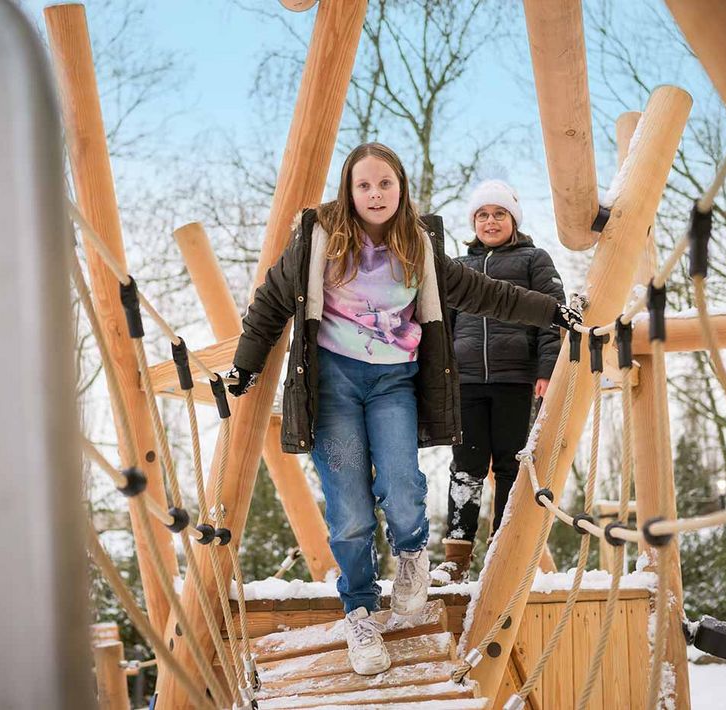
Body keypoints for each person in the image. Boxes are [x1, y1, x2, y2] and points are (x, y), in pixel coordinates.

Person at [225, 143, 581, 676]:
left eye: (384, 184)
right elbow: (271, 303)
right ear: (349, 190)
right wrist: (245, 366)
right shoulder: (316, 238)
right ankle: (361, 611)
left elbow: (485, 293)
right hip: (335, 384)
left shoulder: (418, 244)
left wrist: (554, 312)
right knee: (348, 511)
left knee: (402, 487)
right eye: (364, 184)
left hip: (393, 381)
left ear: (400, 189)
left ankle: (412, 556)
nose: (374, 194)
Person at [429, 180, 567, 587]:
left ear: (513, 220)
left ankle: (501, 550)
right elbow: (442, 323)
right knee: (465, 468)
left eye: (499, 214)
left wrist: (546, 369)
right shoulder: (457, 266)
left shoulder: (533, 260)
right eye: (483, 215)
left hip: (515, 378)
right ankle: (456, 555)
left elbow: (551, 317)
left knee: (510, 466)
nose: (491, 221)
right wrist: (442, 374)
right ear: (474, 222)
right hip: (467, 381)